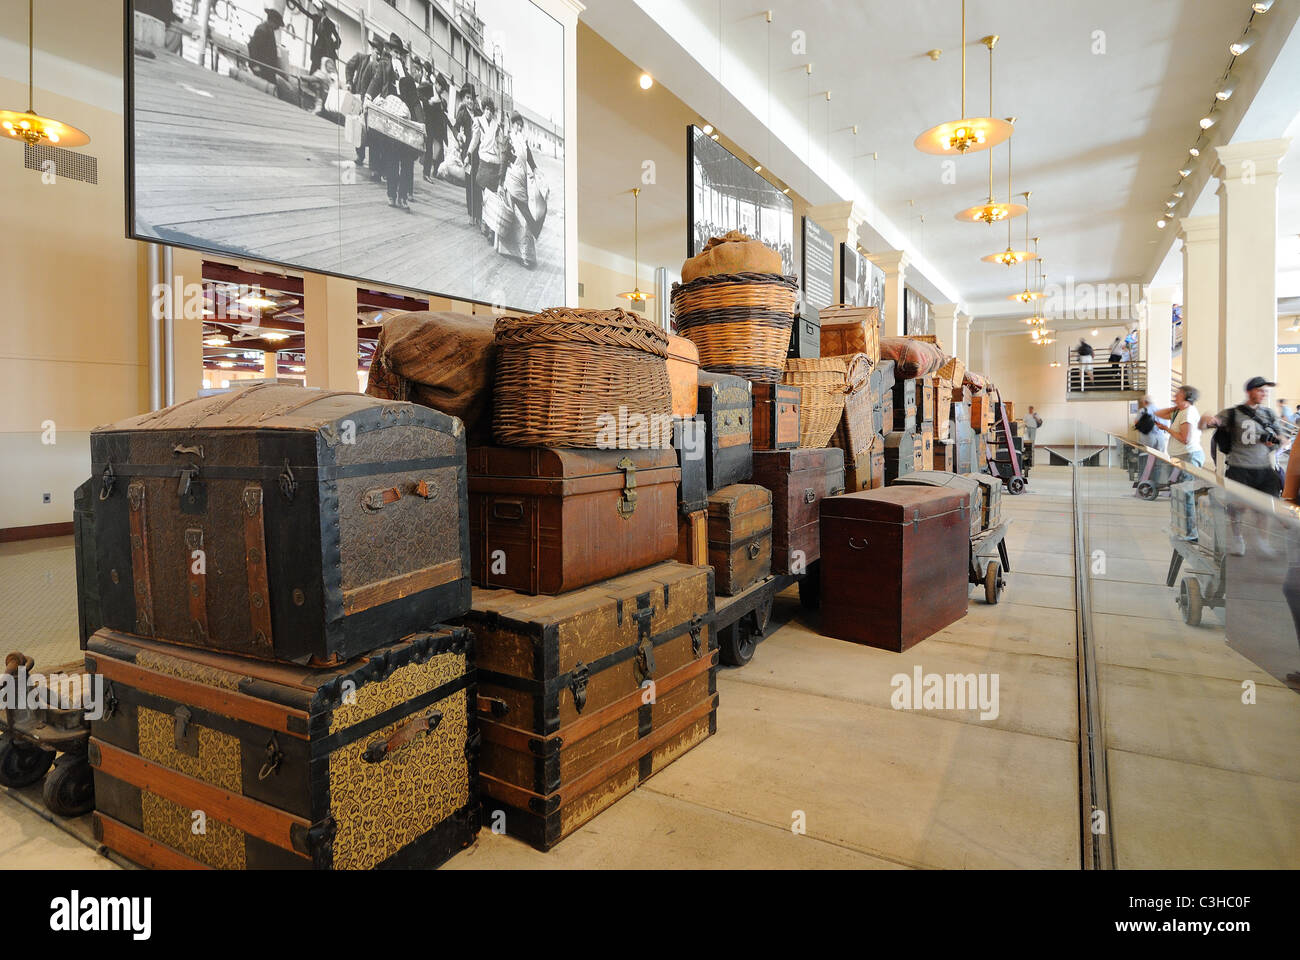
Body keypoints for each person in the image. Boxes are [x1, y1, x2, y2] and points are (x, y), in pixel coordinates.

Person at [1200, 376, 1283, 496]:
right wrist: (1205, 419)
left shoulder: (1269, 414)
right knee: (1237, 510)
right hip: (1239, 470)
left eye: (1266, 391)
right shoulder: (1232, 413)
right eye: (1260, 390)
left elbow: (1282, 438)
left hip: (1265, 470)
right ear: (1249, 391)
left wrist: (1276, 442)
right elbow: (1203, 426)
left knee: (1268, 510)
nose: (1264, 394)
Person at [496, 110, 540, 268]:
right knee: (514, 217)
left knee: (524, 218)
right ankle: (516, 253)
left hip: (522, 182)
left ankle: (526, 254)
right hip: (511, 180)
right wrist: (500, 182)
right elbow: (503, 160)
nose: (519, 128)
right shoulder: (509, 140)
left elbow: (529, 157)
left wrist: (534, 169)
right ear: (512, 124)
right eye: (516, 125)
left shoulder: (523, 141)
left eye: (521, 126)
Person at [1154, 384, 1203, 467]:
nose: (1175, 395)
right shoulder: (1180, 411)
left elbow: (1185, 439)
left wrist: (1166, 428)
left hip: (1187, 456)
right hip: (1180, 455)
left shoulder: (1188, 413)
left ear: (1187, 397)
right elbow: (1158, 413)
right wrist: (1176, 407)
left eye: (1179, 393)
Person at [454, 84, 481, 226]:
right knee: (469, 183)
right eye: (467, 98)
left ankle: (479, 215)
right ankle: (471, 214)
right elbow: (455, 128)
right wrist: (458, 135)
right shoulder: (462, 113)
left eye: (472, 98)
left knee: (478, 184)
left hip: (478, 153)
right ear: (464, 99)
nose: (470, 101)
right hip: (467, 153)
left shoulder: (478, 113)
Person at [422, 74, 450, 183]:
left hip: (437, 125)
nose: (442, 91)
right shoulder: (428, 87)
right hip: (428, 123)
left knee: (439, 148)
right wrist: (430, 101)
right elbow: (418, 95)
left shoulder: (440, 97)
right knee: (429, 147)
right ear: (437, 84)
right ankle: (426, 173)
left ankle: (434, 171)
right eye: (441, 88)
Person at [247, 8, 285, 83]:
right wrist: (255, 65)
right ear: (272, 22)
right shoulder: (262, 30)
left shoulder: (269, 30)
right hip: (261, 67)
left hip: (268, 68)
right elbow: (253, 47)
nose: (278, 28)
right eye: (277, 25)